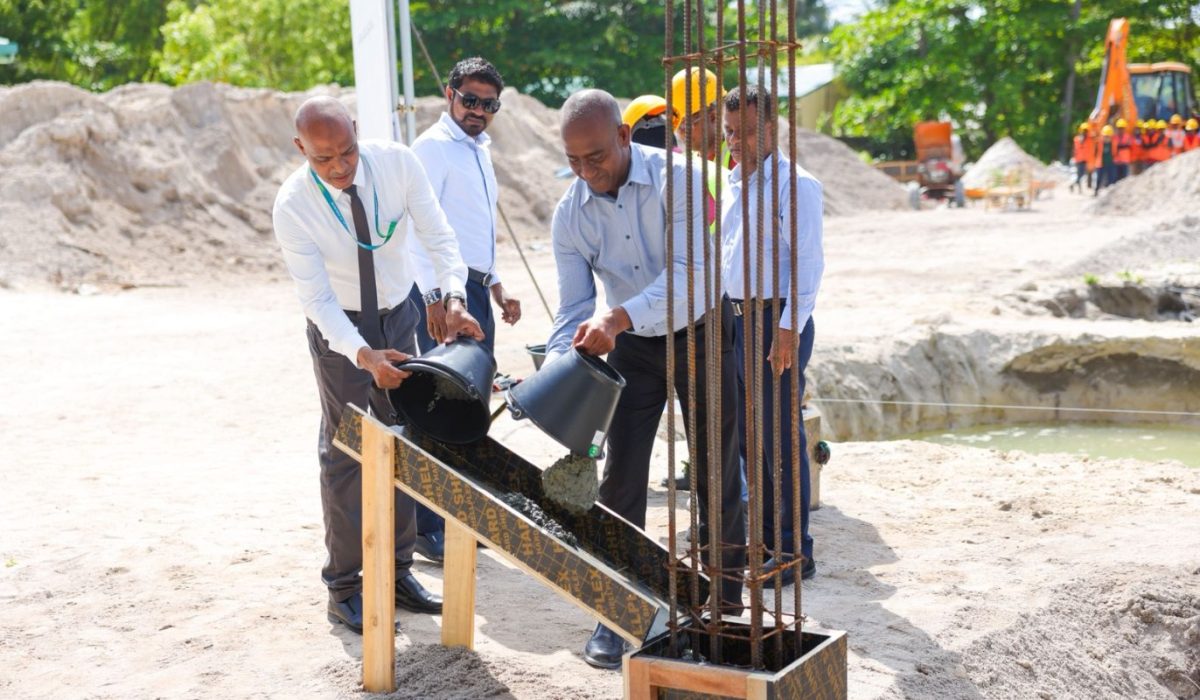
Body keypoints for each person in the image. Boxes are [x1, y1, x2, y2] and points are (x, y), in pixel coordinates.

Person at [545, 89, 746, 669]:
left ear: (626, 137)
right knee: (621, 477)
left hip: (704, 329)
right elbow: (573, 305)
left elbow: (694, 277)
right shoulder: (570, 212)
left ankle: (724, 605)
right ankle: (618, 608)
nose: (588, 172)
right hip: (630, 345)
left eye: (598, 157)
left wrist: (617, 315)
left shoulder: (683, 180)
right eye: (575, 161)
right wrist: (562, 363)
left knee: (715, 468)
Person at [272, 96, 484, 634]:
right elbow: (316, 301)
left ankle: (398, 572)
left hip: (399, 314)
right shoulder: (293, 205)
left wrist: (454, 294)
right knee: (347, 452)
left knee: (404, 438)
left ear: (358, 133)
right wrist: (362, 354)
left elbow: (438, 236)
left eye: (346, 151)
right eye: (324, 159)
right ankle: (344, 587)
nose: (340, 167)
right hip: (341, 332)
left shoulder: (396, 164)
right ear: (301, 149)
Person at [405, 57, 521, 563]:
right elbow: (415, 229)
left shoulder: (478, 149)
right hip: (441, 295)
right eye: (469, 99)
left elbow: (473, 229)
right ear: (448, 93)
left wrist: (494, 284)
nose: (477, 111)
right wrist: (434, 299)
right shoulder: (431, 149)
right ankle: (429, 526)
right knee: (440, 405)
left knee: (471, 404)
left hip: (472, 289)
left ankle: (459, 513)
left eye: (488, 104)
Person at [720, 85, 823, 587]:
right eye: (729, 132)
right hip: (742, 319)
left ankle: (793, 550)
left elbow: (807, 264)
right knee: (750, 439)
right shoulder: (738, 181)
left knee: (780, 437)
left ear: (772, 127)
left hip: (775, 320)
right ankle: (764, 541)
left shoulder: (793, 184)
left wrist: (787, 329)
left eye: (744, 132)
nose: (734, 142)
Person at [1094, 124, 1117, 195]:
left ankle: (1110, 192)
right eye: (1105, 136)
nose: (1106, 138)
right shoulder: (1099, 142)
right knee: (1099, 178)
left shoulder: (1113, 143)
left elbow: (1115, 152)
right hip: (1101, 163)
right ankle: (1096, 191)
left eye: (1108, 136)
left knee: (1111, 178)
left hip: (1110, 163)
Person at [1070, 123, 1092, 193]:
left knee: (1082, 175)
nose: (1085, 132)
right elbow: (1074, 149)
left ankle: (1075, 186)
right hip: (1079, 160)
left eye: (1086, 131)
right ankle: (1076, 187)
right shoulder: (1077, 139)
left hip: (1085, 160)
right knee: (1080, 175)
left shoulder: (1089, 139)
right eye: (1084, 130)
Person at [1113, 118, 1133, 182]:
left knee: (1124, 179)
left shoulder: (1128, 137)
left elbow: (1129, 146)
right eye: (1119, 128)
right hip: (1117, 161)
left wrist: (1121, 146)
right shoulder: (1114, 137)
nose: (1120, 130)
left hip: (1125, 160)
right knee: (1116, 178)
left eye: (1122, 128)